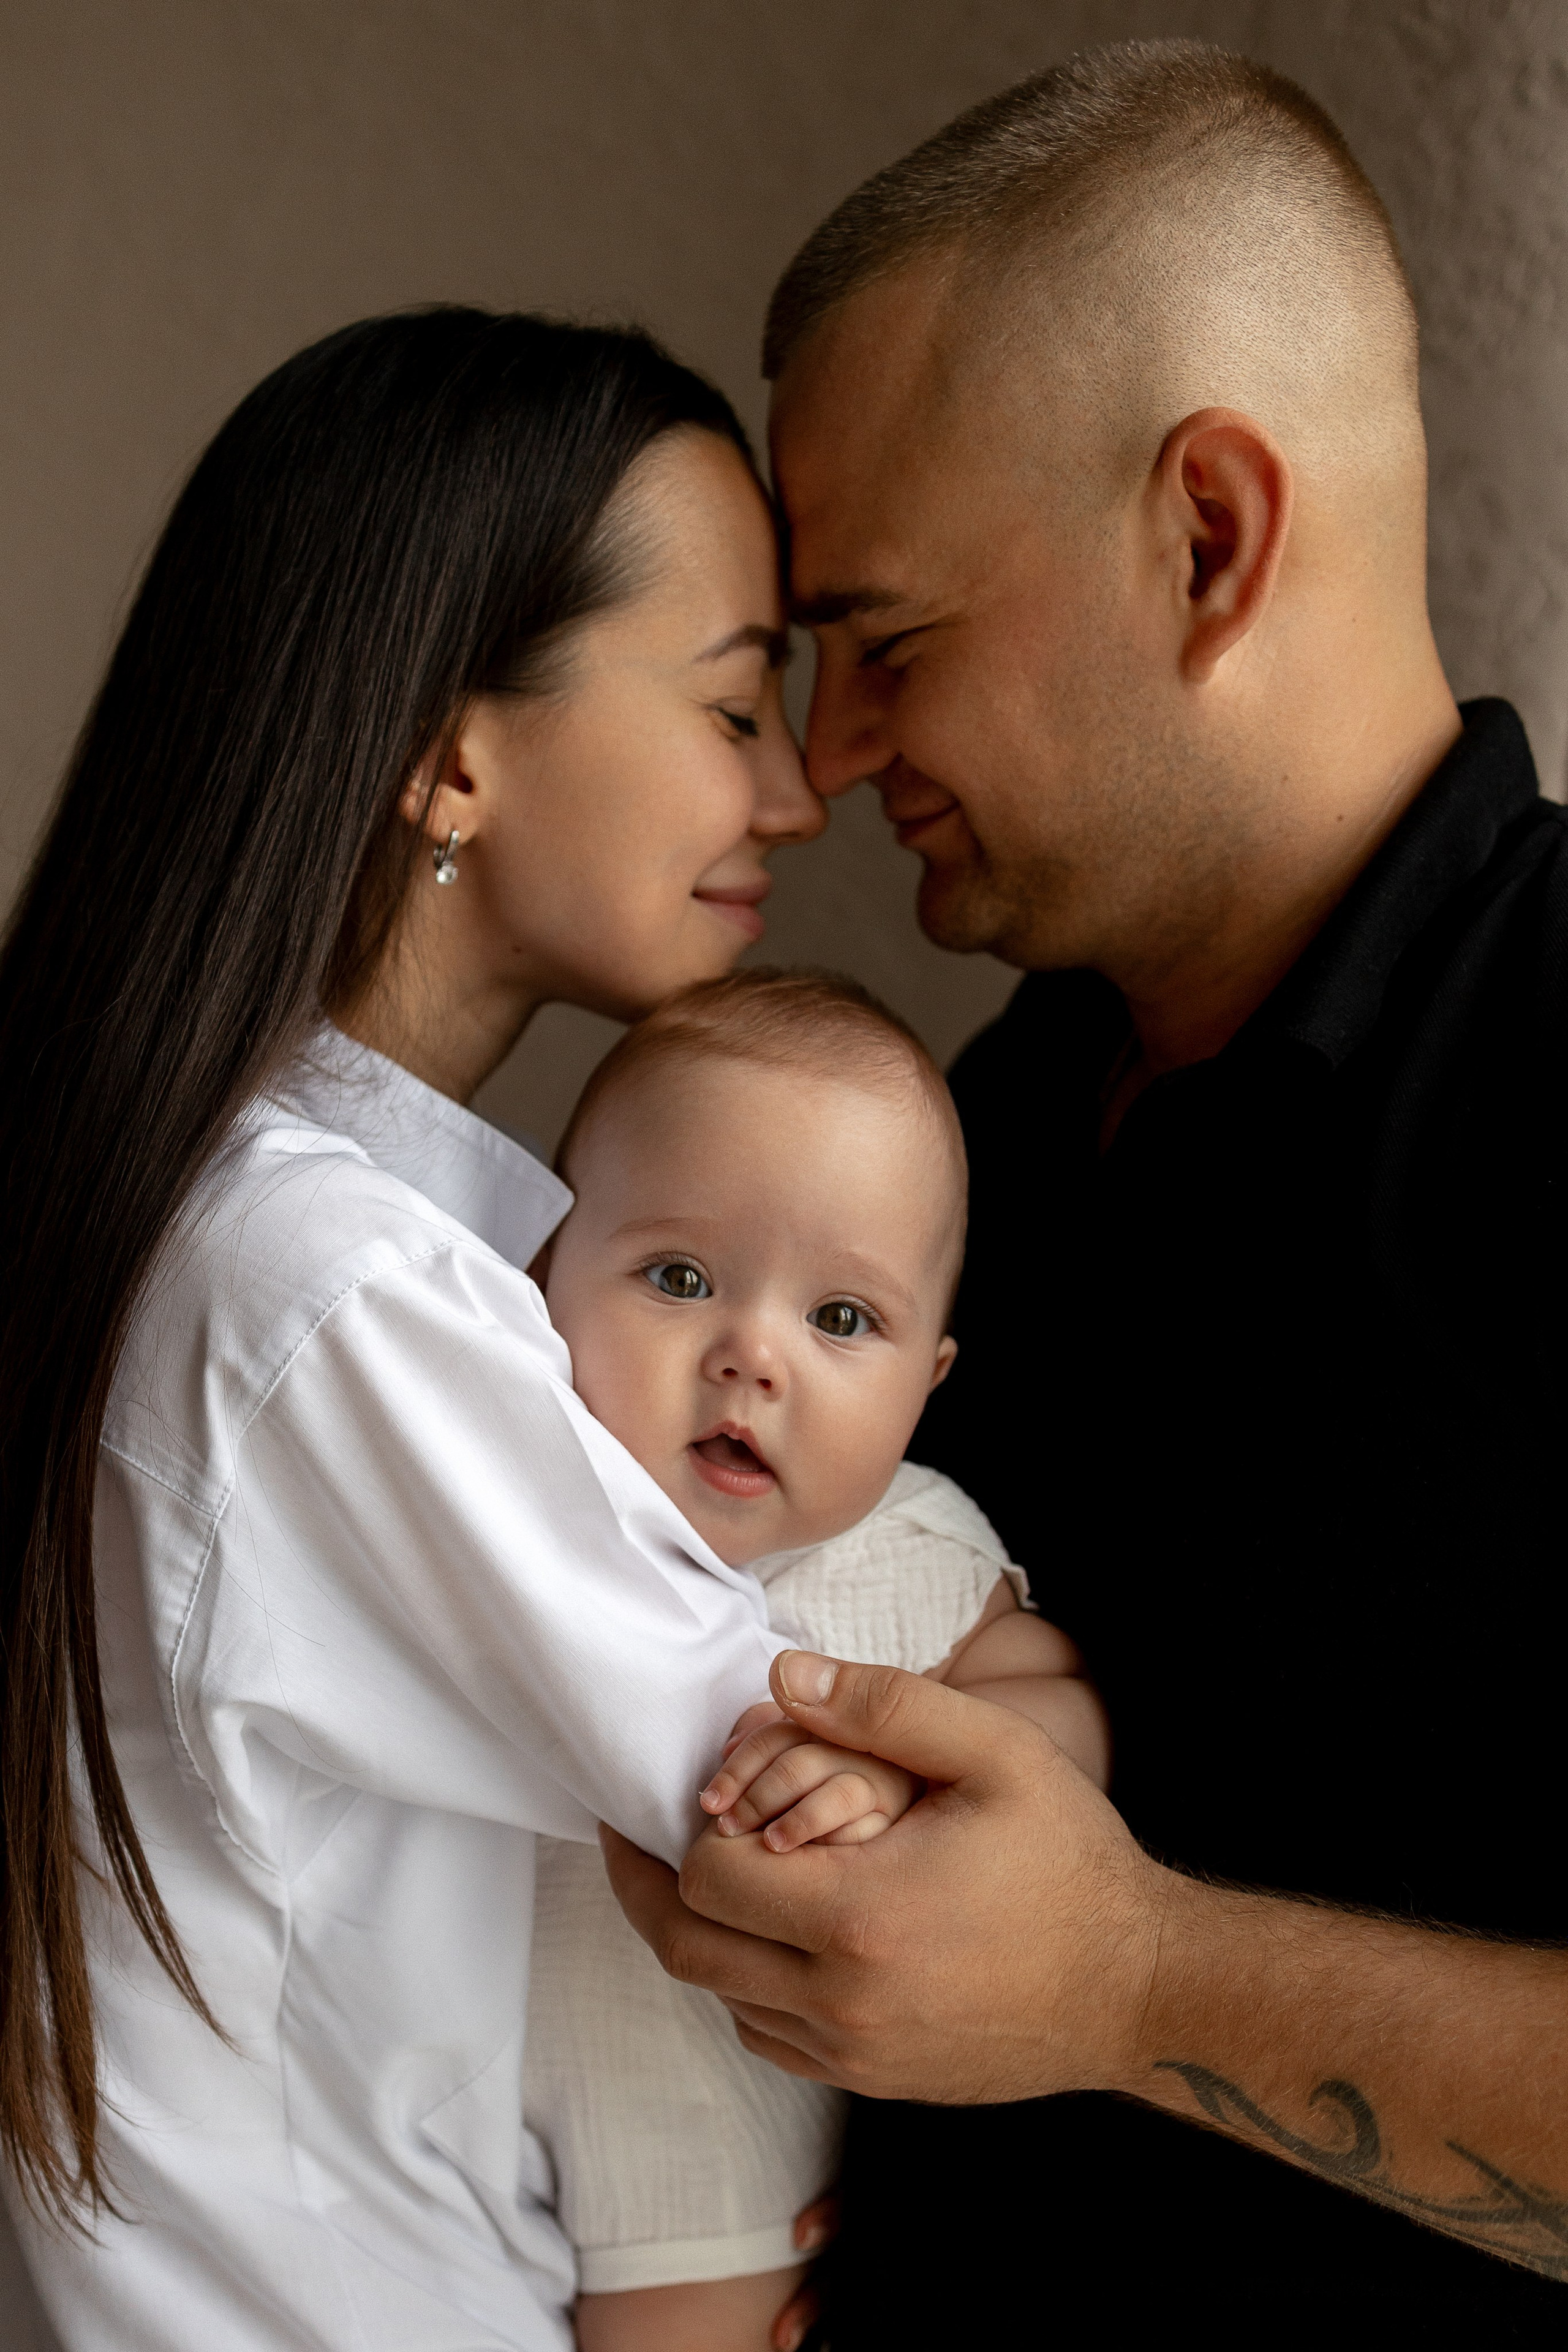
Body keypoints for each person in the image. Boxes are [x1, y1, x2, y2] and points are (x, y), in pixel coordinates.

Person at [604, 41, 1568, 2339]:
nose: (827, 763)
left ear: (1211, 539)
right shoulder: (975, 1128)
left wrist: (1130, 1983)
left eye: (891, 643)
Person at [0, 306, 835, 2350]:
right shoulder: (328, 1294)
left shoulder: (244, 1226)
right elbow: (821, 1813)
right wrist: (1035, 1672)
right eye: (738, 708)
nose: (802, 796)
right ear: (456, 746)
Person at [521, 970, 1107, 2351]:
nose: (750, 1355)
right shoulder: (522, 1486)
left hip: (698, 2144)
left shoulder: (908, 1541)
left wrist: (901, 1777)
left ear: (930, 1380)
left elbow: (1052, 1702)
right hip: (432, 2092)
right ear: (541, 1279)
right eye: (678, 1279)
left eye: (840, 1320)